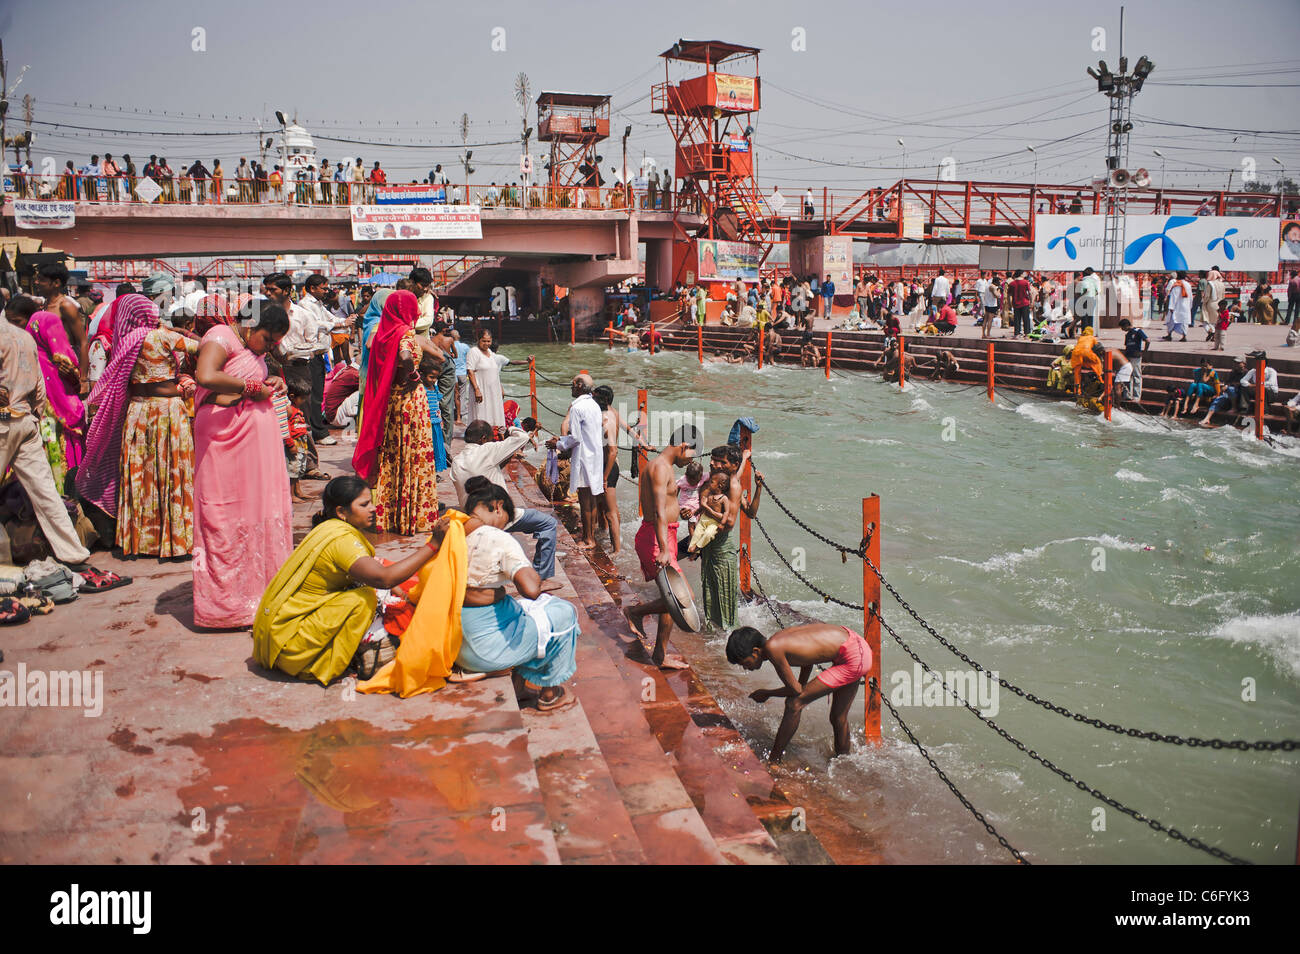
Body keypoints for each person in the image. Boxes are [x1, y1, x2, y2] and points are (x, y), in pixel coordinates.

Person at [253, 476, 447, 686]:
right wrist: (433, 545)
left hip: (281, 634)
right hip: (292, 646)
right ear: (341, 512)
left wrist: (396, 588)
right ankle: (328, 663)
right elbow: (384, 578)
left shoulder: (330, 528)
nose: (373, 509)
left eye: (371, 502)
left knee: (383, 579)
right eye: (364, 505)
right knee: (363, 598)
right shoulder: (341, 541)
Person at [190, 303, 292, 627]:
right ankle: (223, 605)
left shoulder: (248, 346)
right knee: (222, 513)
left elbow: (246, 377)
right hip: (224, 438)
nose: (270, 346)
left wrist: (272, 381)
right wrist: (252, 388)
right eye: (268, 339)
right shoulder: (221, 336)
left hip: (251, 441)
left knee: (255, 511)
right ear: (249, 326)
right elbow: (206, 376)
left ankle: (258, 594)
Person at [79, 294, 199, 557]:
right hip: (167, 412)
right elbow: (201, 347)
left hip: (138, 414)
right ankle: (175, 541)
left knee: (143, 477)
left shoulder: (125, 341)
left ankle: (142, 541)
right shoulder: (160, 337)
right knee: (171, 472)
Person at [454, 477, 581, 711]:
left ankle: (519, 686)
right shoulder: (498, 538)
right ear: (499, 507)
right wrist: (531, 575)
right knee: (563, 614)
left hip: (458, 646)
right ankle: (551, 693)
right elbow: (531, 590)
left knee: (523, 611)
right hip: (486, 652)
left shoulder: (452, 531)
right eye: (505, 521)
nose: (504, 526)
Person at [352, 290, 442, 535]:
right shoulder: (406, 334)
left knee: (392, 456)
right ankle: (413, 516)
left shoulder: (381, 334)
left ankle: (390, 515)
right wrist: (413, 372)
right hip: (411, 401)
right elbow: (408, 355)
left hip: (391, 402)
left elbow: (377, 350)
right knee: (413, 455)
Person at [727, 623, 869, 763]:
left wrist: (766, 693)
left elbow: (795, 691)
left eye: (744, 662)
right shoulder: (779, 640)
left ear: (756, 651)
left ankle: (774, 760)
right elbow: (807, 660)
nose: (745, 668)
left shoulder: (772, 649)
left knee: (794, 703)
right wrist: (800, 687)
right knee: (838, 717)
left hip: (853, 658)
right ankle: (844, 762)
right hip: (858, 645)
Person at [622, 438, 698, 670]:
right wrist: (664, 549)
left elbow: (666, 505)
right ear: (683, 445)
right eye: (692, 455)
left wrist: (680, 514)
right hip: (657, 539)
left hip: (668, 535)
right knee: (685, 598)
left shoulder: (663, 467)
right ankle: (635, 612)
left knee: (670, 597)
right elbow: (656, 510)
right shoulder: (659, 467)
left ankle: (660, 655)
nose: (691, 461)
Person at [450, 418, 558, 579]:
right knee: (548, 524)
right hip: (496, 516)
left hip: (470, 517)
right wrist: (510, 429)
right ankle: (541, 577)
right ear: (483, 439)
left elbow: (489, 469)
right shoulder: (487, 450)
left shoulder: (457, 460)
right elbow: (522, 437)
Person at [698, 443, 761, 630]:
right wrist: (745, 457)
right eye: (714, 460)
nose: (714, 464)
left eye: (720, 462)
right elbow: (749, 512)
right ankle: (713, 634)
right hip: (709, 547)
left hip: (721, 550)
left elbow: (731, 523)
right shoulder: (725, 480)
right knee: (710, 596)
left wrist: (759, 489)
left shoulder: (732, 486)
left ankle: (728, 640)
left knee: (725, 601)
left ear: (732, 465)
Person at [25, 309, 87, 493]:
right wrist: (78, 379)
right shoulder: (58, 363)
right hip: (62, 408)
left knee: (48, 445)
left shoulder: (30, 357)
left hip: (41, 414)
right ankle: (68, 492)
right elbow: (71, 369)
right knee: (64, 449)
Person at [547, 373, 604, 549]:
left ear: (579, 386)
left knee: (585, 498)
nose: (571, 387)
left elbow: (576, 438)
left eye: (573, 384)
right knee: (592, 497)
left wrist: (559, 443)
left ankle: (588, 539)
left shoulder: (577, 408)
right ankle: (589, 535)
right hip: (594, 455)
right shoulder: (594, 404)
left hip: (584, 457)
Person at [32, 263, 90, 393]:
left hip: (65, 370)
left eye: (41, 279)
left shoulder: (66, 306)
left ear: (56, 283)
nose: (36, 282)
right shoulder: (45, 305)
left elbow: (82, 341)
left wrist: (84, 379)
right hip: (48, 369)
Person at [465, 328, 510, 428]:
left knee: (494, 413)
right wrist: (477, 389)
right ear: (478, 339)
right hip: (481, 389)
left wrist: (500, 388)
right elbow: (470, 371)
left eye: (488, 341)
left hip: (493, 391)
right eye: (484, 341)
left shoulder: (490, 352)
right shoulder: (474, 352)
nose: (486, 343)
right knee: (481, 413)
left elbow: (494, 371)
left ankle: (493, 434)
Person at [417, 354, 450, 473]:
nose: (434, 380)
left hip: (436, 422)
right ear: (422, 375)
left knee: (436, 447)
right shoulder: (420, 389)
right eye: (431, 377)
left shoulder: (434, 388)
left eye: (436, 377)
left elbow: (438, 402)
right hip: (426, 423)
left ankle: (435, 469)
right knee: (426, 447)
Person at [686, 471, 730, 555]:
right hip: (704, 518)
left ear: (720, 485)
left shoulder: (724, 498)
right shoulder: (709, 494)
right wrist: (696, 512)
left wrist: (722, 523)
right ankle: (693, 550)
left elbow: (726, 512)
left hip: (714, 522)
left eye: (712, 482)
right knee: (697, 533)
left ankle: (697, 547)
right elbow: (702, 506)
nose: (709, 483)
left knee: (708, 533)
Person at [1163, 272, 1192, 341]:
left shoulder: (1177, 284)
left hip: (1177, 307)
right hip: (1185, 306)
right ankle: (1184, 336)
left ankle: (1169, 335)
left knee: (1171, 321)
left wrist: (1171, 307)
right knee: (1184, 322)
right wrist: (1190, 305)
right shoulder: (1188, 285)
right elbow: (1191, 297)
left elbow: (1174, 296)